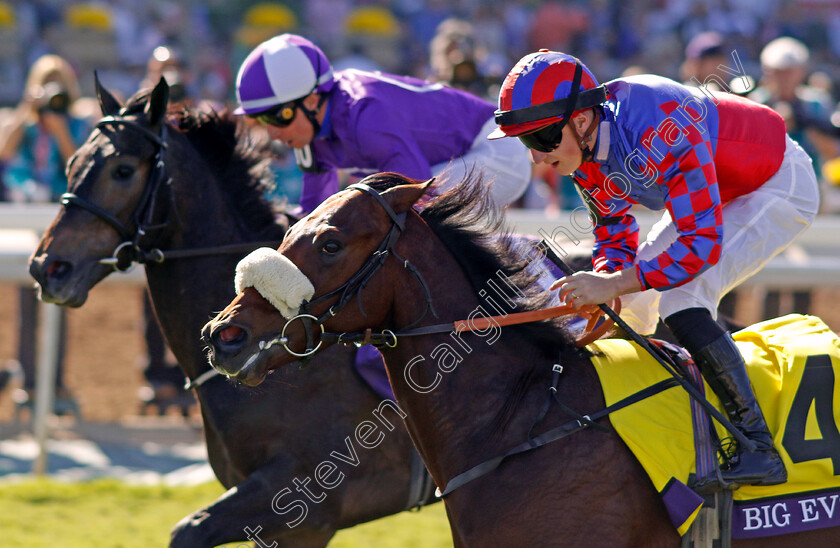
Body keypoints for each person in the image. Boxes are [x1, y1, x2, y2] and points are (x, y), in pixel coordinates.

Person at [489, 49, 820, 492]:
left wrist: (612, 282)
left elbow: (698, 246)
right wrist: (609, 289)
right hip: (720, 190)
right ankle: (633, 435)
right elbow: (613, 234)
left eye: (541, 139)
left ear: (582, 121)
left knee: (684, 296)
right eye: (527, 143)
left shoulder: (656, 120)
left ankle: (758, 446)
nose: (535, 158)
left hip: (775, 181)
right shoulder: (584, 148)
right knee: (629, 308)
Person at [233, 33, 532, 215]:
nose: (271, 132)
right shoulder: (309, 134)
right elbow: (313, 210)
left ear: (311, 101)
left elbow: (414, 193)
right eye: (260, 119)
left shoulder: (365, 116)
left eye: (276, 116)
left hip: (499, 148)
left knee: (390, 209)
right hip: (452, 163)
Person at [0, 54, 91, 416]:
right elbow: (5, 152)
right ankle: (29, 379)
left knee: (57, 297)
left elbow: (81, 166)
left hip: (59, 218)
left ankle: (54, 380)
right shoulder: (23, 121)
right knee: (26, 300)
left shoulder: (80, 121)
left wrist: (60, 130)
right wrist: (28, 111)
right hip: (26, 214)